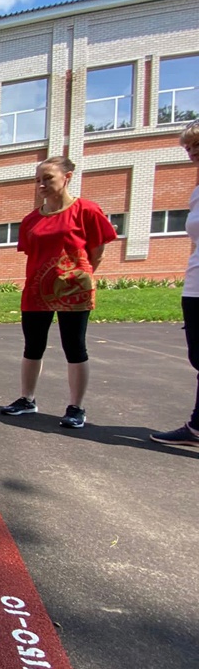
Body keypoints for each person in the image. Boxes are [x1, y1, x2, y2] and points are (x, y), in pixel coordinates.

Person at [0, 156, 116, 429]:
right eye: (38, 179)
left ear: (68, 177)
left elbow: (97, 251)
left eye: (48, 178)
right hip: (37, 291)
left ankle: (76, 407)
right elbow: (35, 254)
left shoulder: (86, 210)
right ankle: (27, 399)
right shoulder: (31, 219)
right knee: (33, 346)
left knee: (74, 347)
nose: (41, 184)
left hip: (74, 292)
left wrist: (77, 277)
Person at [151, 119, 199, 447]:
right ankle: (198, 426)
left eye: (197, 144)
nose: (192, 152)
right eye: (188, 147)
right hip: (196, 285)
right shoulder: (197, 191)